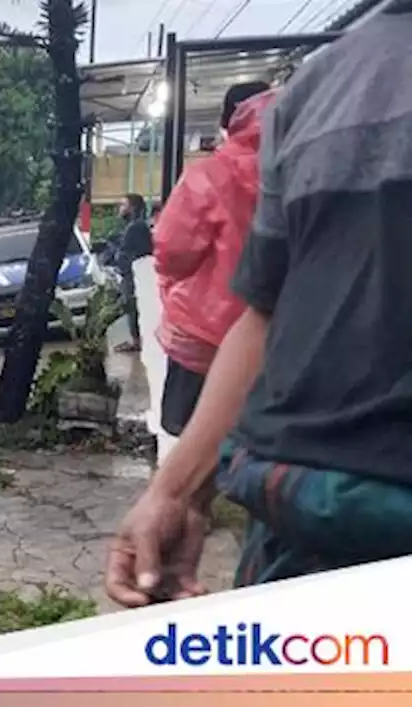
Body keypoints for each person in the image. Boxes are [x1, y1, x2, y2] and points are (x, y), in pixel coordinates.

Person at [105, 5, 412, 607]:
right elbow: (264, 310)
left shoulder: (309, 98)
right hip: (299, 505)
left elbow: (180, 256)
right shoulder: (320, 89)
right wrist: (175, 494)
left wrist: (175, 490)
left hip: (291, 485)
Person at [151, 82, 273, 444]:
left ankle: (198, 497)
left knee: (193, 437)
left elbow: (171, 251)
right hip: (282, 336)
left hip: (207, 334)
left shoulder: (208, 176)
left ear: (226, 122)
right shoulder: (302, 171)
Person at [112, 194, 153, 353]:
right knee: (132, 307)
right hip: (131, 274)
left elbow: (140, 252)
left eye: (123, 205)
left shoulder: (136, 227)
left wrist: (126, 264)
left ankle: (137, 340)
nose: (120, 208)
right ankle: (136, 339)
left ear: (132, 208)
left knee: (133, 307)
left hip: (134, 275)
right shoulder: (134, 227)